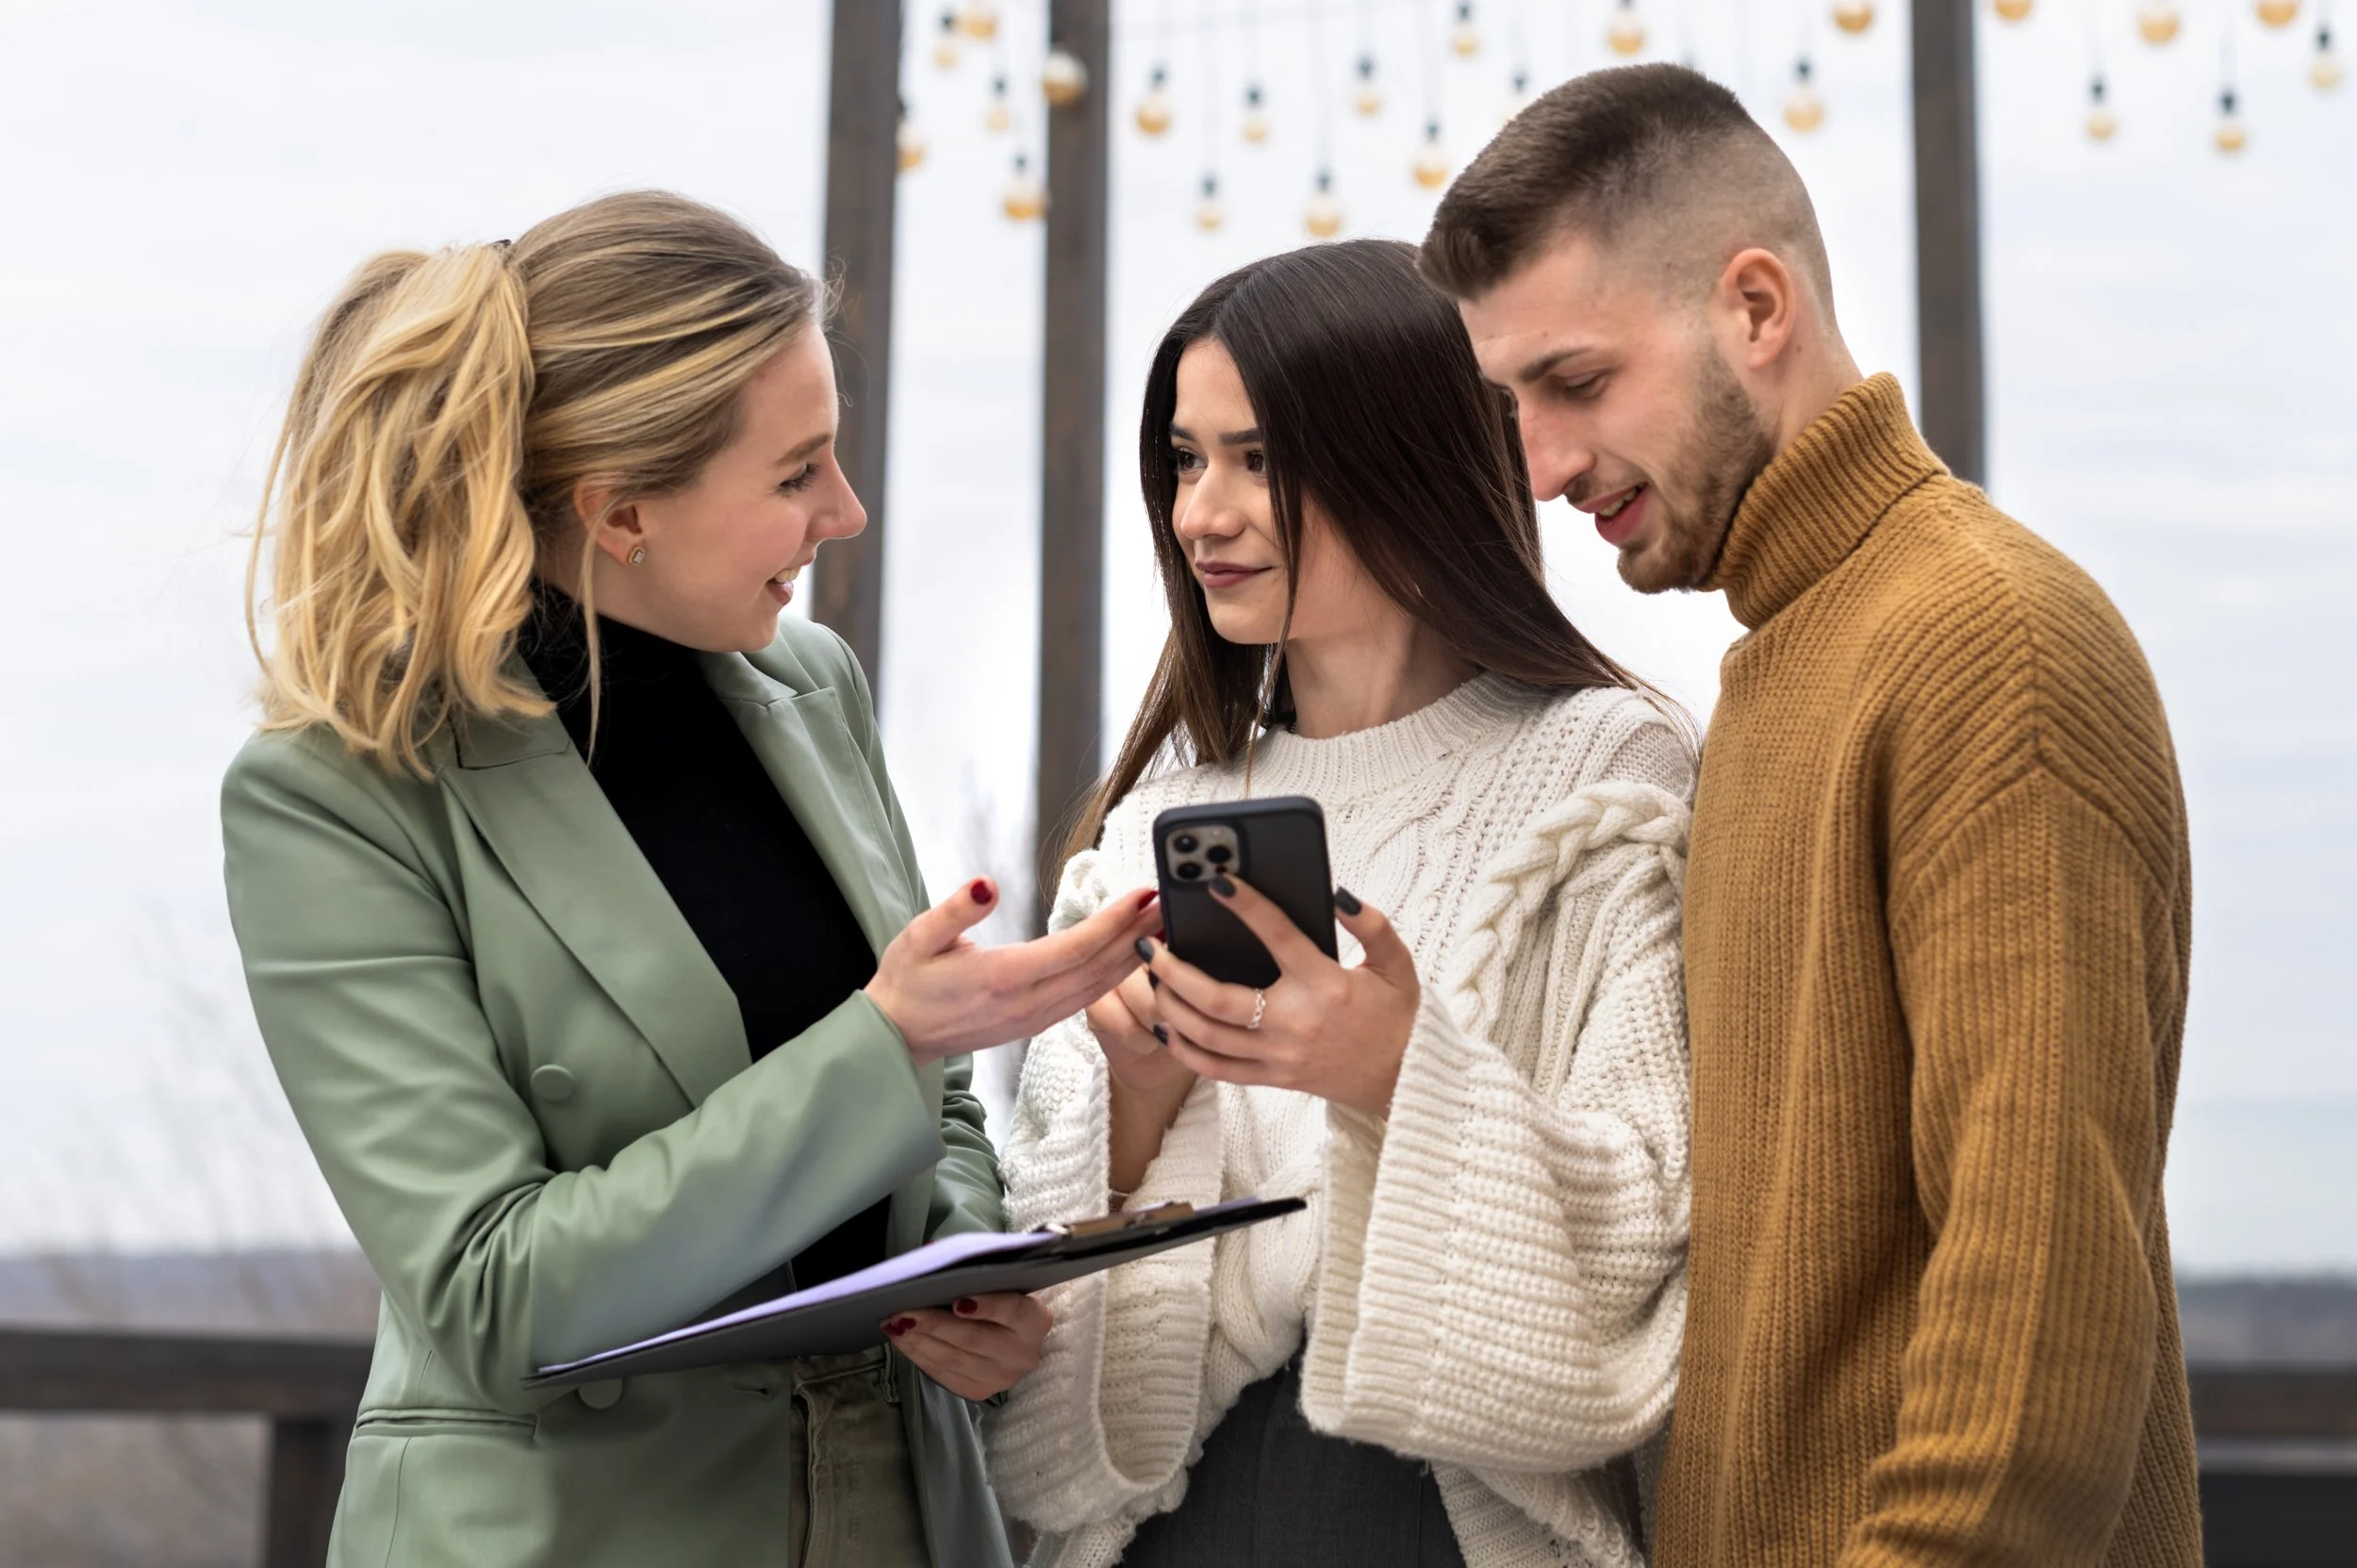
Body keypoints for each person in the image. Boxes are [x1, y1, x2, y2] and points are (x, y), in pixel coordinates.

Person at [221, 190, 1161, 1568]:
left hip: (899, 1511)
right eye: (796, 475)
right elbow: (496, 1294)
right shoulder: (341, 796)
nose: (843, 510)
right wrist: (887, 1036)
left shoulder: (811, 687)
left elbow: (940, 1108)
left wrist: (961, 1277)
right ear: (619, 514)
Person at [1422, 64, 2201, 1566]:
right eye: (1506, 405)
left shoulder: (1989, 642)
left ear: (1757, 309)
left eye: (1576, 384)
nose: (1540, 465)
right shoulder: (1781, 667)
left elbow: (2040, 1297)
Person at [986, 239, 1694, 1567]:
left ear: (1404, 459)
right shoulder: (1147, 828)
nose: (1204, 512)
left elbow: (1647, 1239)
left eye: (1258, 458)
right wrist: (1137, 1108)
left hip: (1442, 1524)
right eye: (1187, 461)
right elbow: (1047, 1433)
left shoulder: (1608, 781)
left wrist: (1392, 1078)